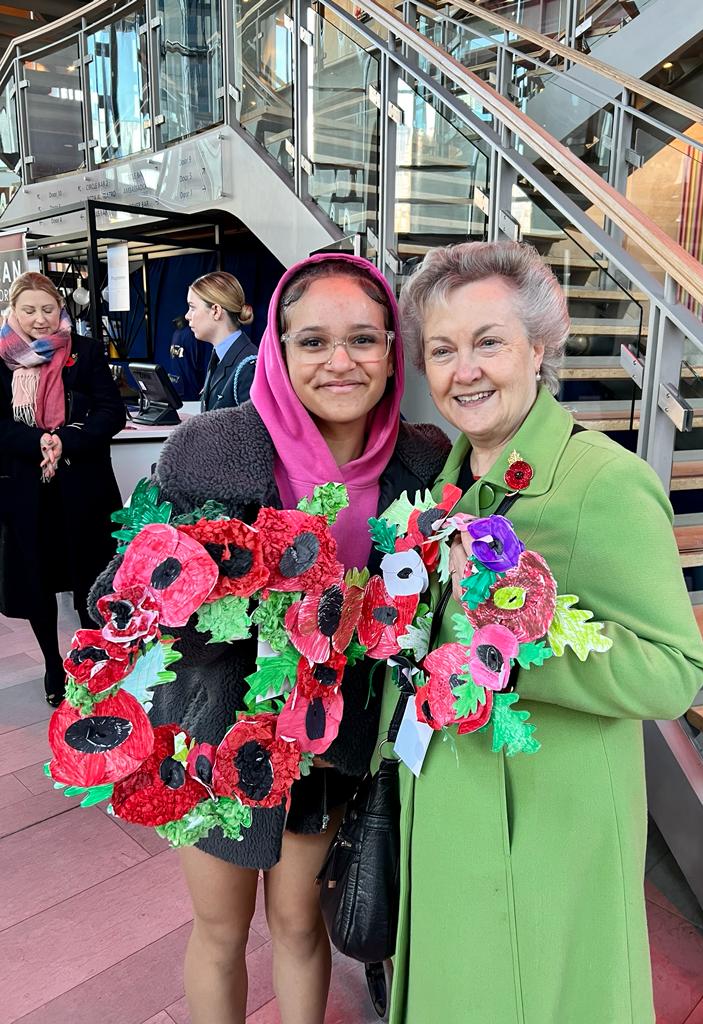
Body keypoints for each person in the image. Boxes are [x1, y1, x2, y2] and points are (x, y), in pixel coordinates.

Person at [90, 253, 450, 1024]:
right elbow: (119, 589)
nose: (340, 361)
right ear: (280, 352)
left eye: (363, 339)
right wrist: (212, 582)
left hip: (331, 740)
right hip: (214, 733)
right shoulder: (211, 444)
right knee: (220, 928)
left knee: (297, 922)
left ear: (393, 350)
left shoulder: (422, 457)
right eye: (313, 342)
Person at [382, 241, 703, 1024]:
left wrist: (513, 643)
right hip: (449, 808)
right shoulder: (447, 483)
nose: (466, 370)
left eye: (489, 342)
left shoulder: (604, 483)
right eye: (442, 350)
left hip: (548, 834)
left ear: (539, 347)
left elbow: (673, 670)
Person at [0, 271, 125, 707]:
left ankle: (96, 658)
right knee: (38, 583)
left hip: (82, 487)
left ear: (61, 310)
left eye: (48, 309)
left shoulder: (86, 352)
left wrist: (65, 438)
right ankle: (53, 664)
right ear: (13, 311)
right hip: (25, 493)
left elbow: (113, 412)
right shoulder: (1, 358)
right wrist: (37, 440)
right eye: (29, 310)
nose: (40, 319)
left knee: (92, 580)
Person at [186, 271, 260, 411]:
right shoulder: (220, 358)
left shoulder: (248, 368)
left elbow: (253, 431)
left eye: (192, 307)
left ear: (216, 311)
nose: (187, 316)